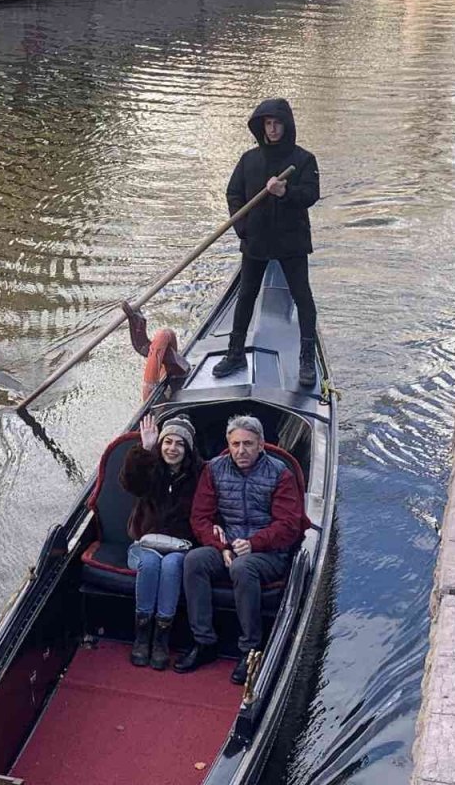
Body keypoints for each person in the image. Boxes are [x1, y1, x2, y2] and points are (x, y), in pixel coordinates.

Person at [175, 415, 304, 684]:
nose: (240, 451)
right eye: (235, 444)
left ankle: (250, 650)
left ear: (261, 445)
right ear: (228, 444)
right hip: (227, 546)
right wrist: (219, 545)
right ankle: (204, 641)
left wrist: (254, 543)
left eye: (247, 444)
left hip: (269, 553)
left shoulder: (281, 473)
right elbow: (200, 517)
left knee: (243, 568)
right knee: (194, 560)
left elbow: (290, 525)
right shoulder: (215, 469)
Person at [212, 98, 321, 387]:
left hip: (291, 240)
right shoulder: (249, 160)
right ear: (262, 127)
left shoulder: (303, 160)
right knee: (246, 295)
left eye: (277, 123)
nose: (272, 129)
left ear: (287, 125)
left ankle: (306, 358)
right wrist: (242, 227)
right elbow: (234, 194)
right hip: (256, 239)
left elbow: (311, 194)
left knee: (303, 297)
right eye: (268, 124)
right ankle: (235, 353)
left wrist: (285, 192)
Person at [119, 413, 202, 670]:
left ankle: (161, 640)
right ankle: (142, 637)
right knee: (152, 563)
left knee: (172, 564)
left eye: (179, 443)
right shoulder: (150, 468)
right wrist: (145, 449)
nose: (172, 448)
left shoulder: (199, 475)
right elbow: (129, 482)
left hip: (180, 547)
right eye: (167, 442)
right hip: (144, 545)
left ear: (187, 448)